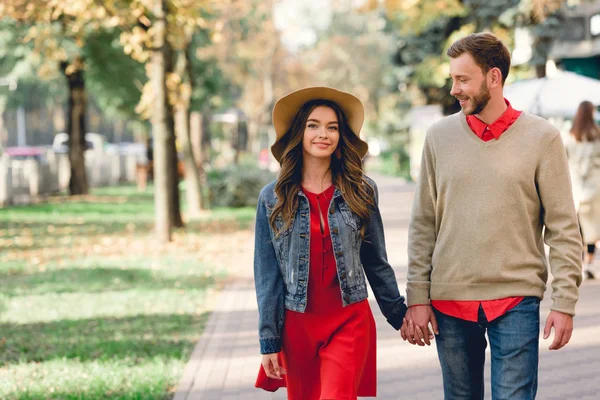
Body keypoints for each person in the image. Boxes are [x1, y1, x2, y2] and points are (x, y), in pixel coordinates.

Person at [403, 32, 583, 400]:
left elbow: (563, 229)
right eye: (452, 78)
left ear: (494, 77)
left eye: (463, 79)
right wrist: (417, 297)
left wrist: (564, 303)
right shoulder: (438, 138)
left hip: (515, 299)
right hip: (450, 301)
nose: (454, 89)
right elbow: (423, 222)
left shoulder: (542, 138)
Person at [253, 86, 407, 399]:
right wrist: (268, 340)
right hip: (296, 327)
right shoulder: (272, 198)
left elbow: (376, 260)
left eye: (332, 127)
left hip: (348, 320)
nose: (324, 134)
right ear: (300, 133)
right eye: (314, 125)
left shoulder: (361, 191)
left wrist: (400, 315)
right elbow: (266, 274)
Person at [566, 100, 600, 280]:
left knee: (577, 229)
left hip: (574, 188)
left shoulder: (569, 136)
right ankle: (589, 264)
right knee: (593, 228)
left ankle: (578, 266)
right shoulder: (597, 135)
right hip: (595, 188)